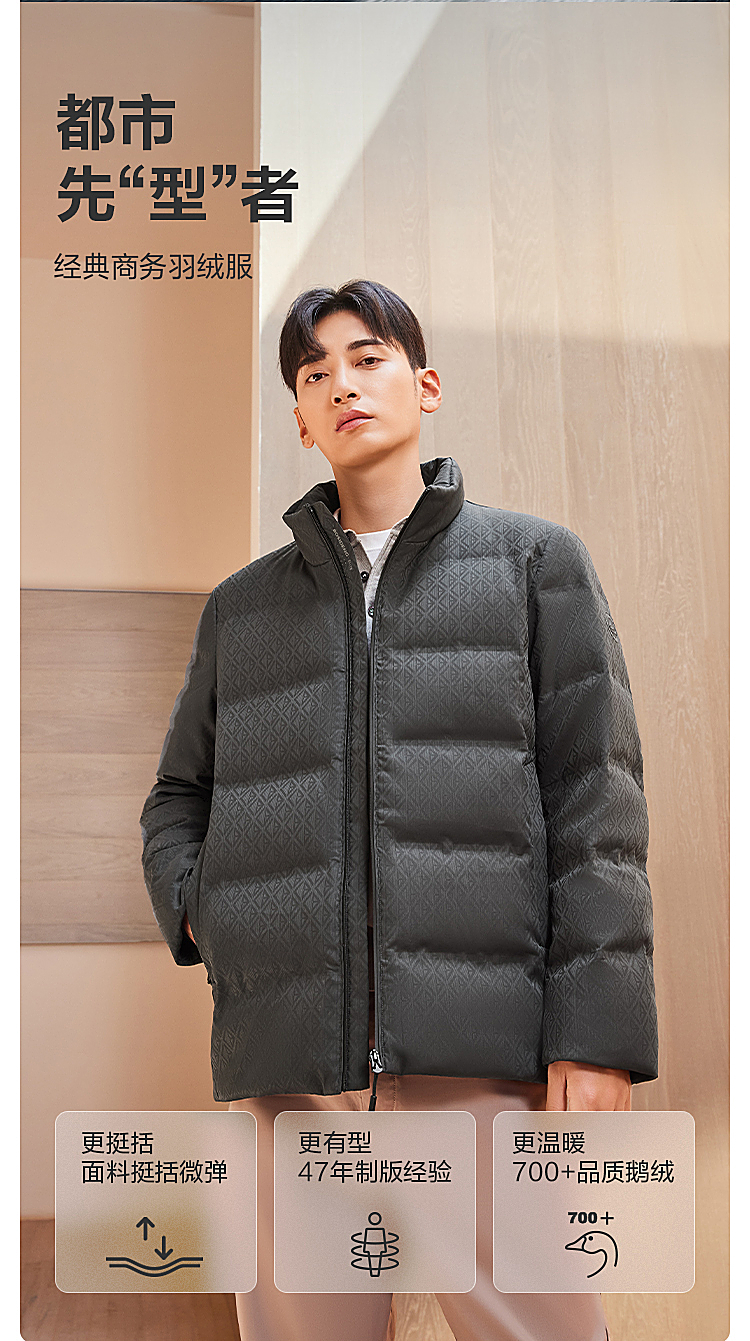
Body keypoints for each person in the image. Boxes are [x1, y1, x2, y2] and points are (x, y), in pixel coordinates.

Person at [140, 279, 657, 1340]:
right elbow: (179, 795)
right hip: (290, 1064)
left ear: (424, 386)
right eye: (314, 373)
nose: (342, 384)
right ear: (300, 419)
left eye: (367, 357)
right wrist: (205, 909)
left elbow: (596, 802)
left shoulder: (534, 564)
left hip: (481, 1052)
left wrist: (597, 1033)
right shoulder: (242, 609)